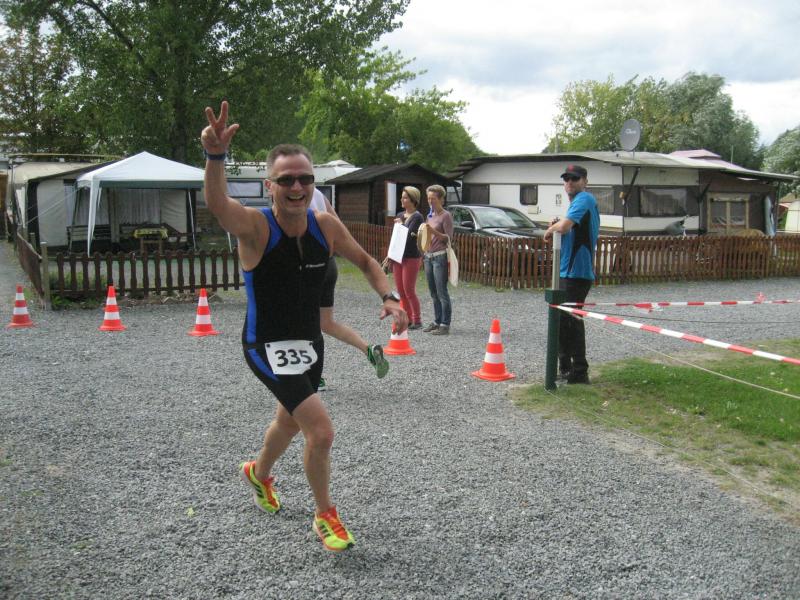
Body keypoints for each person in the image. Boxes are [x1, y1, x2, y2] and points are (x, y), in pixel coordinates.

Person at [201, 101, 407, 552]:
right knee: (321, 431)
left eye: (305, 179)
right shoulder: (255, 227)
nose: (297, 187)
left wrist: (389, 297)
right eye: (286, 180)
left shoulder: (325, 225)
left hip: (309, 345)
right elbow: (218, 204)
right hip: (265, 345)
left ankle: (258, 474)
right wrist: (215, 157)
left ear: (314, 184)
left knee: (289, 422)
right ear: (269, 186)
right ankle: (325, 515)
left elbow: (366, 262)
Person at [310, 188, 389, 387]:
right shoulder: (318, 194)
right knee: (326, 323)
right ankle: (368, 349)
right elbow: (337, 224)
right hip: (329, 264)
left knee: (305, 323)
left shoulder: (291, 197)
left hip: (310, 265)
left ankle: (313, 376)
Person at [544, 164, 600, 384]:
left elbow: (565, 227)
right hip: (566, 271)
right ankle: (566, 367)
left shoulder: (584, 199)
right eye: (566, 179)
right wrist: (556, 225)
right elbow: (567, 226)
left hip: (577, 273)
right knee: (561, 321)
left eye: (574, 178)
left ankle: (579, 371)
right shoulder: (576, 203)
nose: (569, 182)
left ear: (585, 181)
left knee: (572, 321)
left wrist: (551, 229)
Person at [422, 185, 454, 335]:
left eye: (433, 199)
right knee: (433, 292)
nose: (430, 201)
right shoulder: (429, 215)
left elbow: (448, 238)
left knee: (442, 292)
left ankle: (445, 324)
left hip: (440, 256)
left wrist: (433, 231)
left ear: (441, 199)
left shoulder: (446, 216)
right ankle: (437, 320)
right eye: (428, 198)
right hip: (428, 256)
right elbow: (427, 235)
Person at [391, 186, 424, 329]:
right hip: (398, 256)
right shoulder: (400, 214)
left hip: (411, 257)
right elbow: (396, 236)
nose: (402, 199)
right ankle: (407, 318)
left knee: (409, 290)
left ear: (413, 200)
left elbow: (408, 237)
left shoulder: (417, 217)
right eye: (402, 197)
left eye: (405, 197)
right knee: (400, 291)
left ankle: (417, 320)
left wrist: (400, 225)